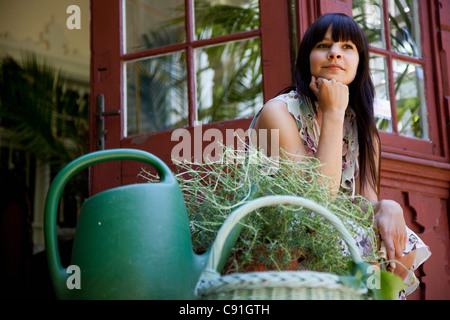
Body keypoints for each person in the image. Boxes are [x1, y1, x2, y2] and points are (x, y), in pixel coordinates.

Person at [249, 13, 430, 298]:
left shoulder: (363, 129)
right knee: (357, 245)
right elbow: (312, 203)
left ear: (360, 64)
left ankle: (374, 294)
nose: (334, 53)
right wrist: (332, 112)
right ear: (307, 60)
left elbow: (362, 204)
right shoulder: (279, 113)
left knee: (398, 242)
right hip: (283, 245)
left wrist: (387, 207)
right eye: (323, 45)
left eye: (347, 47)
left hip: (337, 243)